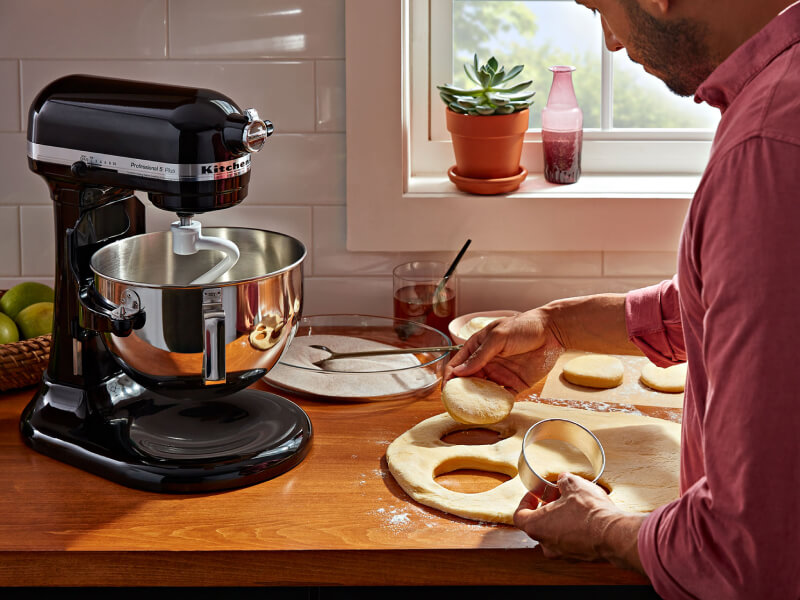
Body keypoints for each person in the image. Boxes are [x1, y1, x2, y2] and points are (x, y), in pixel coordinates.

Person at [444, 1, 800, 598]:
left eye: (599, 8)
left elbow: (748, 552)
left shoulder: (769, 144)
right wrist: (554, 327)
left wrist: (603, 528)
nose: (609, 42)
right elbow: (734, 307)